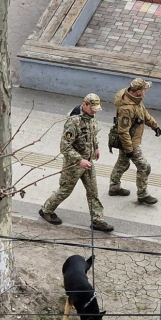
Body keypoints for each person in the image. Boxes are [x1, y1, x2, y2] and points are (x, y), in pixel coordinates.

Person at [39, 93, 114, 232]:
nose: (95, 111)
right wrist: (79, 160)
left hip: (88, 162)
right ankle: (46, 210)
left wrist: (96, 148)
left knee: (93, 192)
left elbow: (93, 135)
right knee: (65, 190)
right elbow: (65, 147)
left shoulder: (91, 117)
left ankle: (98, 220)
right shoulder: (74, 121)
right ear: (84, 105)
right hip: (73, 164)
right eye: (92, 108)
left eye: (97, 109)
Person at [109, 78, 161, 205]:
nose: (146, 91)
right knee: (144, 166)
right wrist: (129, 150)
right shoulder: (126, 108)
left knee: (122, 163)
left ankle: (114, 187)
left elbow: (143, 113)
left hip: (130, 140)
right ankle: (142, 194)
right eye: (145, 89)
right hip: (129, 141)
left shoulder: (135, 100)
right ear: (138, 91)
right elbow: (123, 131)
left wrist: (155, 126)